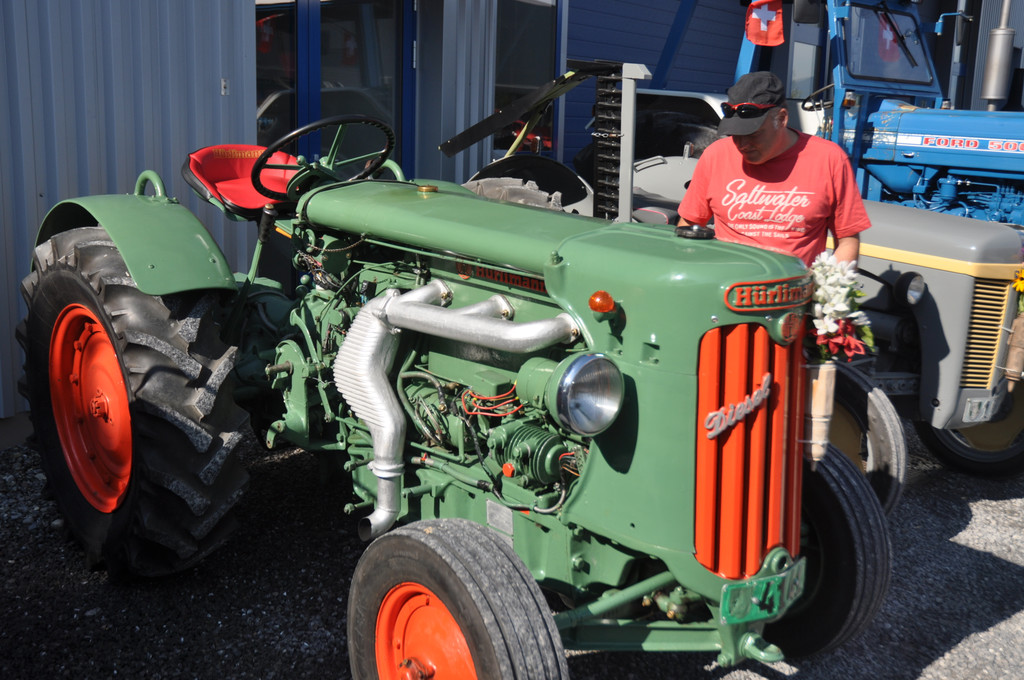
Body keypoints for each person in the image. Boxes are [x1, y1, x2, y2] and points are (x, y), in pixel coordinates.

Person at [676, 71, 870, 266]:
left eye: (753, 134)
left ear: (782, 118)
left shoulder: (829, 159)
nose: (742, 144)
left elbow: (847, 240)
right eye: (735, 135)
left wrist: (829, 280)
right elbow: (688, 228)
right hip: (728, 282)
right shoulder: (715, 155)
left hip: (796, 283)